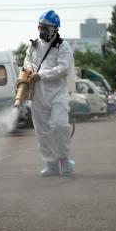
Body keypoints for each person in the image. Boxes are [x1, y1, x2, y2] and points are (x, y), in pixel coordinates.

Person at [23, 10, 75, 176]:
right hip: (38, 94)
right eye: (40, 27)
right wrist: (30, 68)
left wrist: (41, 75)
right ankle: (51, 164)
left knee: (59, 125)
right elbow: (27, 60)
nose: (42, 31)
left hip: (57, 94)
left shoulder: (63, 46)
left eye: (46, 28)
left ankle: (64, 158)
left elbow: (63, 68)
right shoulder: (34, 44)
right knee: (42, 131)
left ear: (55, 29)